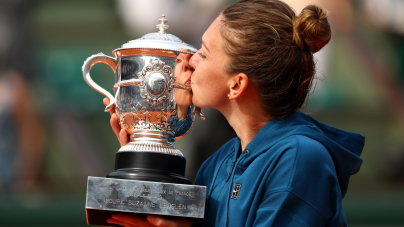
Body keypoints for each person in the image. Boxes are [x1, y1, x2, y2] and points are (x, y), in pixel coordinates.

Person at [104, 0, 365, 226]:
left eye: (203, 54)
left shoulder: (300, 159)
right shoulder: (218, 162)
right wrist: (143, 152)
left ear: (237, 84)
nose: (190, 61)